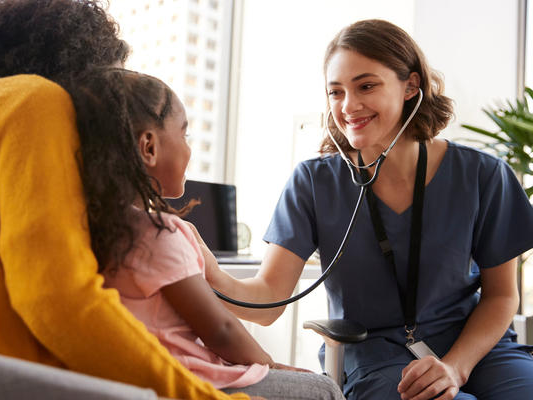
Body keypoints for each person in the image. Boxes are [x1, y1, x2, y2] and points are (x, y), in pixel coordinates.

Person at [201, 19, 533, 400]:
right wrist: (205, 270)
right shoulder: (314, 183)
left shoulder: (483, 174)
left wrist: (456, 366)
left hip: (478, 348)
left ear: (410, 86)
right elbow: (267, 301)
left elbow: (502, 296)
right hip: (377, 357)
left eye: (366, 86)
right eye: (335, 92)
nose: (348, 106)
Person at [0, 1, 251, 399]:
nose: (119, 105)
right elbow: (59, 300)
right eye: (115, 85)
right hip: (32, 380)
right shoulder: (35, 101)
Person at [67, 66, 343, 400]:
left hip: (132, 377)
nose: (188, 148)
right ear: (148, 148)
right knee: (323, 389)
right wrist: (273, 366)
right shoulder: (159, 234)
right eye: (184, 135)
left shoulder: (95, 227)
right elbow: (220, 330)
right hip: (188, 378)